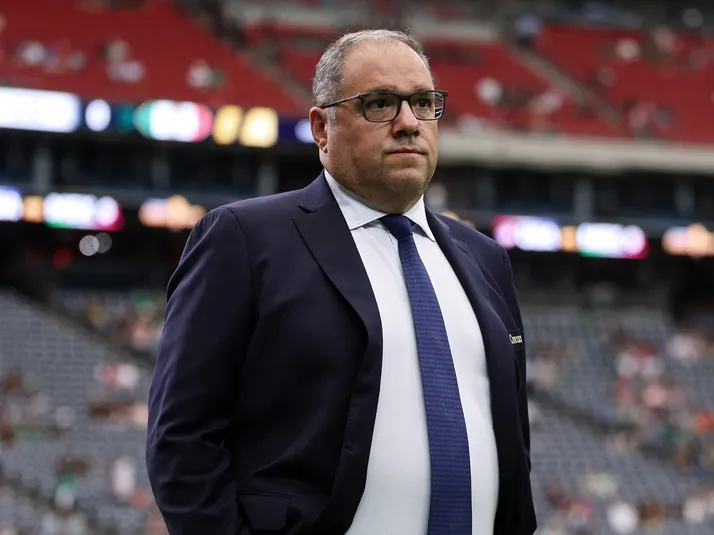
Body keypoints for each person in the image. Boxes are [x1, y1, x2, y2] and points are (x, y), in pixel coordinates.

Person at [146, 29, 536, 535]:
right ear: (321, 128)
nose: (408, 123)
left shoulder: (485, 259)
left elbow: (512, 443)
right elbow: (182, 439)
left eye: (423, 103)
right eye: (380, 104)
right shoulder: (245, 239)